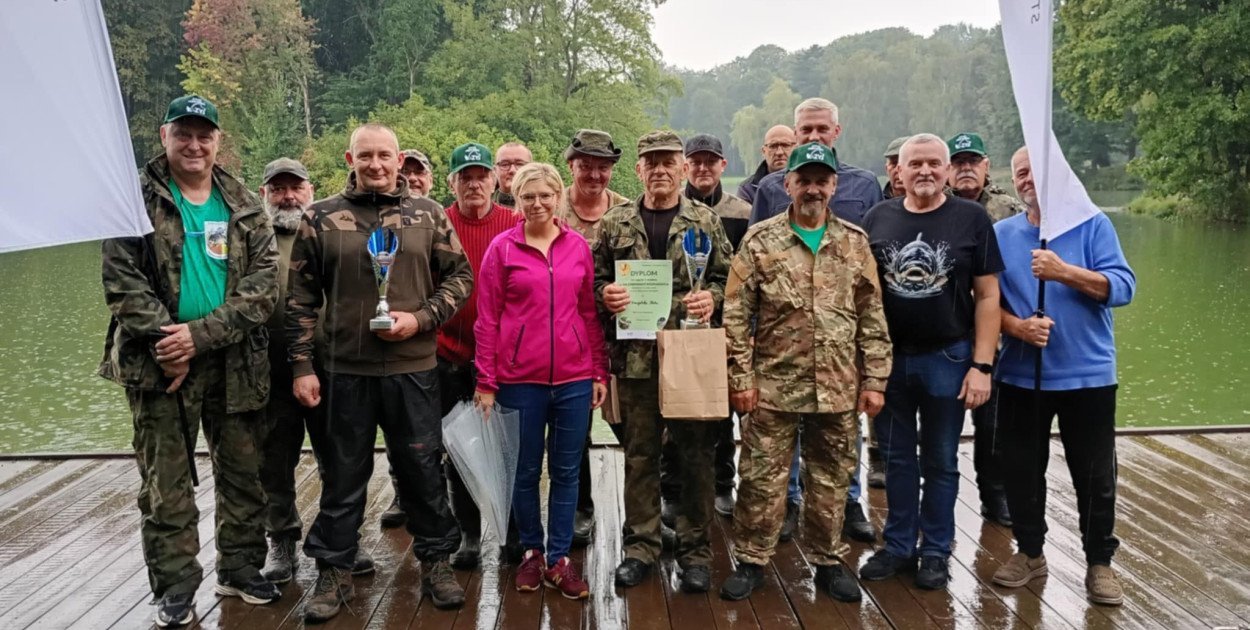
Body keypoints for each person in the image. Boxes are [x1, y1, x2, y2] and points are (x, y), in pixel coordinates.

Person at [100, 95, 281, 628]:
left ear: (218, 140)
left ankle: (240, 569)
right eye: (184, 133)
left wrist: (198, 338)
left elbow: (263, 287)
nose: (195, 144)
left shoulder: (244, 202)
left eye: (205, 135)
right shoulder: (132, 200)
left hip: (234, 361)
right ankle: (175, 587)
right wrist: (170, 345)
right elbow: (122, 282)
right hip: (158, 366)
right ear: (165, 136)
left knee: (244, 475)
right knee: (167, 483)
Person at [286, 122, 473, 621]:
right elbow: (300, 299)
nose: (375, 164)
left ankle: (436, 561)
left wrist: (421, 318)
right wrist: (301, 364)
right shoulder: (320, 217)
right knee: (343, 474)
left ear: (398, 160)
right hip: (344, 370)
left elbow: (461, 277)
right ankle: (335, 568)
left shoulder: (428, 214)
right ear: (351, 159)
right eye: (365, 155)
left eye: (384, 155)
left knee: (422, 470)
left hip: (413, 368)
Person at [719, 143, 892, 603]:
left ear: (834, 185)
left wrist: (875, 380)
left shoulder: (854, 242)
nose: (813, 189)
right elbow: (735, 314)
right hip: (772, 384)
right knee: (760, 477)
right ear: (787, 184)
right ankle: (752, 559)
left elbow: (872, 314)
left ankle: (828, 560)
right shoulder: (760, 240)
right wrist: (741, 379)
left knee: (831, 477)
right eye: (804, 180)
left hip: (837, 385)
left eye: (822, 180)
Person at [990, 146, 1135, 606]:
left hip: (1088, 376)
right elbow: (985, 302)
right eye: (1019, 173)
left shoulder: (1093, 224)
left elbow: (1123, 287)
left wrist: (1064, 272)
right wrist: (1018, 327)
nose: (1026, 179)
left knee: (1095, 475)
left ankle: (1099, 562)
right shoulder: (1002, 233)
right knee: (1020, 470)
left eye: (1035, 170)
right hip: (1021, 374)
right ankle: (1030, 552)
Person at [858, 133, 1003, 591]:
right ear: (897, 172)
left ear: (946, 170)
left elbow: (988, 296)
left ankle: (936, 550)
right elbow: (863, 296)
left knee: (941, 460)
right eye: (915, 163)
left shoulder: (972, 218)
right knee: (897, 459)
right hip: (889, 361)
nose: (924, 171)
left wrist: (982, 366)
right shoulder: (876, 218)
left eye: (934, 163)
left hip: (949, 357)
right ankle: (899, 545)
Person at [594, 130, 732, 594]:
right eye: (650, 162)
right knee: (639, 457)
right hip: (635, 360)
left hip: (690, 355)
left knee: (696, 457)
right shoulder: (615, 222)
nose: (659, 170)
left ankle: (695, 552)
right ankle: (641, 548)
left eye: (668, 161)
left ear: (682, 168)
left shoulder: (705, 221)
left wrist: (711, 299)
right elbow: (593, 280)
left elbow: (728, 279)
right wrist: (606, 295)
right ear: (638, 169)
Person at [473, 162, 610, 599]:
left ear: (558, 197)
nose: (537, 204)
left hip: (573, 379)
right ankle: (531, 552)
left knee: (567, 471)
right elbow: (487, 319)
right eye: (528, 196)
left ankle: (560, 559)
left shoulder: (577, 247)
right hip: (519, 381)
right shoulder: (502, 249)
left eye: (545, 195)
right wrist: (486, 380)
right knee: (525, 470)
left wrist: (598, 370)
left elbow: (587, 313)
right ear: (516, 200)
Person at [749, 97, 881, 545]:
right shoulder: (769, 192)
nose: (814, 135)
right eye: (806, 130)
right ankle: (778, 518)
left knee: (839, 447)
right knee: (772, 449)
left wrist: (871, 364)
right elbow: (747, 285)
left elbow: (870, 291)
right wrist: (748, 352)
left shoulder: (864, 188)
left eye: (822, 129)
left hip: (839, 354)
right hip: (780, 354)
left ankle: (843, 517)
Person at [256, 158, 376, 583]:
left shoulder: (331, 229)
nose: (288, 197)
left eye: (296, 188)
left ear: (311, 190)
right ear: (264, 194)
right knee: (275, 462)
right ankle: (282, 540)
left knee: (340, 459)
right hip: (271, 371)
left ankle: (343, 537)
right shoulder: (253, 237)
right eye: (278, 189)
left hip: (332, 368)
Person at [437, 143, 524, 569]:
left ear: (494, 180)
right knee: (459, 450)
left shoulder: (515, 222)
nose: (474, 184)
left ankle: (513, 535)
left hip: (505, 359)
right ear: (451, 182)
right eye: (465, 177)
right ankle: (468, 535)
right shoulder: (438, 223)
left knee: (509, 449)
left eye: (481, 176)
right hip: (449, 354)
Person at [663, 133, 750, 520]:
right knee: (673, 413)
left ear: (722, 166)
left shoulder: (741, 212)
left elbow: (742, 274)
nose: (702, 168)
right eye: (695, 161)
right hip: (676, 328)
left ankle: (723, 483)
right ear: (686, 166)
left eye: (710, 161)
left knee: (721, 411)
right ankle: (672, 487)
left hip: (722, 327)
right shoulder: (668, 208)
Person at [947, 132, 1027, 528]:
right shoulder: (934, 206)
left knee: (994, 425)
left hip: (996, 335)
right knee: (939, 427)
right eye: (958, 162)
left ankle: (995, 497)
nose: (965, 169)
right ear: (948, 168)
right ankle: (936, 506)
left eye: (972, 162)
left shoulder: (1009, 209)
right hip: (946, 333)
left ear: (986, 166)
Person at [559, 129, 629, 545]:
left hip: (620, 337)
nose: (594, 175)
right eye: (585, 166)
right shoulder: (552, 208)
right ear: (571, 165)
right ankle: (579, 509)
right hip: (567, 338)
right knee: (574, 431)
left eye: (603, 167)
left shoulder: (626, 210)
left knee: (631, 426)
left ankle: (645, 510)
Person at [737, 125, 796, 205]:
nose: (779, 152)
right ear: (764, 151)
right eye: (773, 146)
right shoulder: (748, 189)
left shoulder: (807, 183)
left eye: (785, 145)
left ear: (796, 148)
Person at [493, 141, 533, 208]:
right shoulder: (482, 206)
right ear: (495, 170)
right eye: (505, 164)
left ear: (531, 169)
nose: (512, 170)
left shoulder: (545, 206)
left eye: (519, 164)